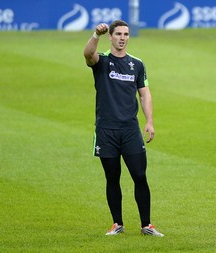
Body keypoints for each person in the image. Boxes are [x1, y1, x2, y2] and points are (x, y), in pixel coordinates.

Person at [83, 20, 163, 237]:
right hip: (106, 130)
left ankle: (147, 225)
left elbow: (144, 93)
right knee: (112, 177)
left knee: (139, 175)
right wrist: (95, 35)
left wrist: (149, 121)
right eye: (118, 33)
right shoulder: (102, 61)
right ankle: (117, 223)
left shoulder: (137, 64)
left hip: (130, 130)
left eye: (126, 34)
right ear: (110, 36)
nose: (122, 38)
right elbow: (88, 54)